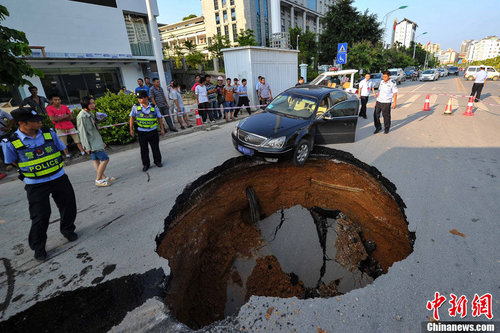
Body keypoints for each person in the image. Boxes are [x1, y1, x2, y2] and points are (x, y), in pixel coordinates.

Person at [1, 107, 78, 261]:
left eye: (39, 119)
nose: (39, 122)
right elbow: (12, 161)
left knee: (68, 206)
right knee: (40, 216)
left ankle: (68, 230)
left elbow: (60, 149)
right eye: (34, 121)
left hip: (59, 177)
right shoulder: (11, 142)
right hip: (36, 184)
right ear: (21, 123)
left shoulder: (48, 133)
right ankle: (38, 247)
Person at [76, 96, 114, 187]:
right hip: (92, 143)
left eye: (93, 103)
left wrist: (99, 119)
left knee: (96, 160)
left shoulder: (90, 114)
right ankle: (98, 179)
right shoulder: (82, 116)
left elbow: (94, 128)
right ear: (85, 104)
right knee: (105, 159)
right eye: (91, 103)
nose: (93, 105)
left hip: (96, 140)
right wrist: (86, 147)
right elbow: (82, 133)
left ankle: (103, 177)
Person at [129, 90, 165, 172]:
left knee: (155, 148)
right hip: (142, 132)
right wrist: (131, 129)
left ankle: (158, 161)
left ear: (146, 98)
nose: (139, 100)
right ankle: (146, 164)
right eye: (138, 98)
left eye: (141, 98)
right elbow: (131, 117)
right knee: (144, 149)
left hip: (153, 131)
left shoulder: (153, 107)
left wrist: (162, 129)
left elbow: (159, 118)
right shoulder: (135, 107)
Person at [46, 93, 85, 157]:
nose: (57, 101)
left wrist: (59, 118)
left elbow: (71, 117)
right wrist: (65, 116)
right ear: (52, 101)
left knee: (77, 140)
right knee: (63, 143)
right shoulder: (49, 108)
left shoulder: (65, 107)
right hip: (59, 127)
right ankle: (67, 155)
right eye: (55, 100)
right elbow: (52, 119)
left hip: (70, 126)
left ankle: (82, 152)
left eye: (59, 99)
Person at [0, 108, 14, 180]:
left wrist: (8, 127)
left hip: (3, 135)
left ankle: (12, 163)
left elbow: (11, 119)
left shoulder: (1, 112)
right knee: (1, 151)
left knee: (7, 149)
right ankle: (7, 164)